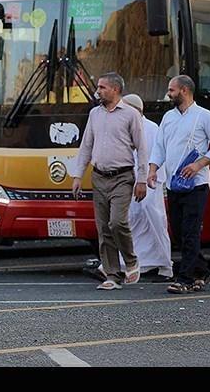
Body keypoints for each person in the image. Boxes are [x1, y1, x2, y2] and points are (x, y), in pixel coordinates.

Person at [148, 75, 210, 294]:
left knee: (191, 230)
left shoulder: (205, 116)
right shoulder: (168, 117)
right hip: (175, 184)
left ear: (184, 90)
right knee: (178, 231)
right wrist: (153, 169)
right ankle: (201, 271)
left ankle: (184, 279)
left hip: (197, 184)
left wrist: (199, 164)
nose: (168, 94)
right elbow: (159, 146)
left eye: (171, 90)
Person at [83, 94, 173, 282]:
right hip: (126, 182)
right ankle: (124, 266)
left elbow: (157, 155)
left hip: (148, 183)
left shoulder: (151, 128)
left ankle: (164, 266)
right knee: (126, 223)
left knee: (153, 222)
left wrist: (150, 178)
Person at [70, 73, 147, 291]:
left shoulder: (131, 115)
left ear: (115, 90)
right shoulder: (95, 114)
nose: (98, 90)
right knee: (103, 228)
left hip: (122, 177)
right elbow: (86, 145)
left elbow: (142, 149)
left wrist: (141, 180)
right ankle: (112, 274)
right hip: (99, 176)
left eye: (102, 87)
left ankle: (131, 260)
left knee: (117, 222)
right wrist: (78, 176)